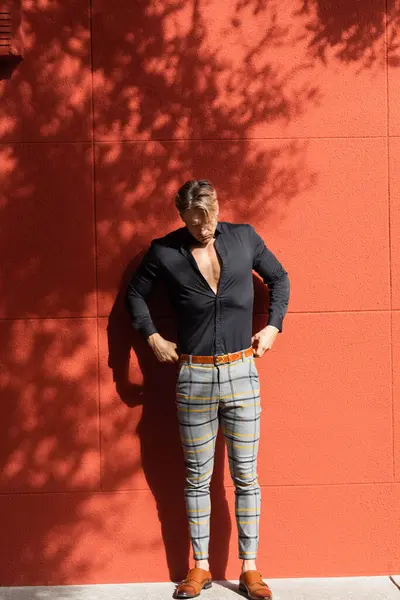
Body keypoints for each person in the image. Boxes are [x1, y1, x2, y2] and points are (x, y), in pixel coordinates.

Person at [125, 180, 290, 600]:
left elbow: (280, 278)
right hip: (194, 376)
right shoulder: (164, 251)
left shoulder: (245, 238)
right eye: (195, 222)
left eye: (209, 218)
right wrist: (152, 337)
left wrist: (272, 327)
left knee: (246, 476)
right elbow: (135, 295)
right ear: (182, 216)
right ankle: (198, 568)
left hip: (241, 372)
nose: (203, 228)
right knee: (198, 479)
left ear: (217, 207)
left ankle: (249, 568)